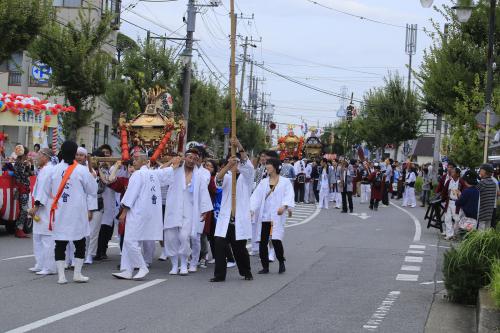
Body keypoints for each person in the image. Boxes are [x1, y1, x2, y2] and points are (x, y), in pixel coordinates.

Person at [47, 141, 97, 284]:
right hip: (77, 213)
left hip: (60, 211)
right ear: (75, 153)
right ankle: (77, 274)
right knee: (80, 243)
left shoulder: (54, 170)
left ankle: (61, 276)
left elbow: (47, 190)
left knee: (60, 243)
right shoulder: (81, 170)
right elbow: (92, 190)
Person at [157, 150, 213, 276]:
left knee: (184, 237)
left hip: (190, 211)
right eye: (189, 157)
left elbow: (203, 192)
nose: (192, 160)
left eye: (195, 158)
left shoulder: (199, 176)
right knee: (171, 238)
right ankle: (174, 264)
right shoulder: (175, 171)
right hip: (173, 208)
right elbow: (159, 176)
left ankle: (183, 263)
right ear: (185, 158)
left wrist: (204, 210)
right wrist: (172, 162)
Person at [112, 153, 164, 280]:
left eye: (136, 159)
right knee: (132, 241)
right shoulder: (153, 174)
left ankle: (142, 266)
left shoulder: (138, 174)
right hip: (147, 212)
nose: (133, 161)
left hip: (137, 212)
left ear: (145, 161)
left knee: (130, 241)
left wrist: (123, 212)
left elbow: (131, 194)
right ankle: (127, 270)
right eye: (133, 159)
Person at [211, 143, 254, 282]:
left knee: (239, 249)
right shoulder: (227, 176)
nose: (235, 164)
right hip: (225, 219)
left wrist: (240, 146)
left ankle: (246, 272)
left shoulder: (246, 177)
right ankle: (219, 275)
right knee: (219, 246)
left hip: (239, 219)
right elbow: (217, 180)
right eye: (232, 161)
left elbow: (248, 164)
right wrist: (228, 166)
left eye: (237, 162)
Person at [251, 158, 295, 274]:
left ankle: (281, 261)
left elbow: (289, 195)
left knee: (276, 240)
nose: (267, 167)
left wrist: (284, 206)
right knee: (263, 241)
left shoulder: (285, 182)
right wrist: (251, 209)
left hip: (277, 215)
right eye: (266, 165)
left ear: (275, 166)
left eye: (268, 165)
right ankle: (265, 267)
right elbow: (256, 197)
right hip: (265, 215)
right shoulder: (264, 182)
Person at [28, 148, 56, 275]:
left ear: (45, 157)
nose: (36, 157)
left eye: (39, 155)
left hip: (46, 206)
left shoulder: (49, 170)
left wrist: (36, 206)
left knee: (46, 237)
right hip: (41, 206)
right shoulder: (44, 169)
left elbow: (43, 191)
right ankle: (40, 264)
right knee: (37, 236)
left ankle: (49, 267)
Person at [13, 145, 32, 238]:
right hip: (21, 188)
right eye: (26, 154)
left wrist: (29, 165)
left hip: (24, 188)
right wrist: (27, 166)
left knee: (23, 209)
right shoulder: (18, 164)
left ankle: (19, 228)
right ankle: (19, 229)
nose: (27, 156)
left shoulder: (22, 163)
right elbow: (25, 176)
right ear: (23, 154)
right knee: (24, 210)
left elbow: (31, 173)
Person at [442, 167, 464, 240]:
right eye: (451, 172)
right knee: (447, 218)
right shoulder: (449, 181)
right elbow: (444, 191)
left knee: (457, 219)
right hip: (449, 201)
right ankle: (449, 234)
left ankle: (455, 233)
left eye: (453, 172)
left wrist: (461, 195)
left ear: (458, 174)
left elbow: (464, 192)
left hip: (457, 203)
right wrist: (443, 198)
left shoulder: (461, 182)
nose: (452, 173)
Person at [476, 164, 497, 230]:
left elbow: (475, 192)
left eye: (481, 170)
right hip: (489, 212)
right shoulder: (493, 183)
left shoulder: (483, 183)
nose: (480, 172)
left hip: (482, 212)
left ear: (485, 172)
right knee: (487, 231)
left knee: (480, 232)